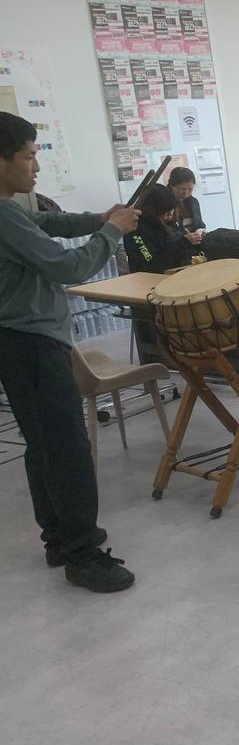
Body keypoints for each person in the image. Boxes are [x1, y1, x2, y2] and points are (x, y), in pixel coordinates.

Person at [0, 112, 140, 592]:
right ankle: (83, 554)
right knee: (66, 448)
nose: (36, 167)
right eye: (28, 157)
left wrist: (99, 218)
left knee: (43, 444)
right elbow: (68, 267)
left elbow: (47, 221)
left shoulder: (10, 210)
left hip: (18, 341)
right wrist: (112, 233)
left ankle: (59, 539)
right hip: (31, 343)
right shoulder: (3, 215)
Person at [124, 183, 201, 274]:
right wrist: (184, 242)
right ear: (153, 210)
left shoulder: (170, 222)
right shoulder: (135, 231)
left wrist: (196, 240)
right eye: (165, 211)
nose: (170, 214)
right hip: (151, 278)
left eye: (171, 209)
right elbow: (152, 265)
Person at [167, 167, 205, 231]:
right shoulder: (164, 202)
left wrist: (201, 231)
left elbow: (200, 224)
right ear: (171, 186)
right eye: (182, 189)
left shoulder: (193, 202)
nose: (186, 193)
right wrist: (184, 235)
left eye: (190, 189)